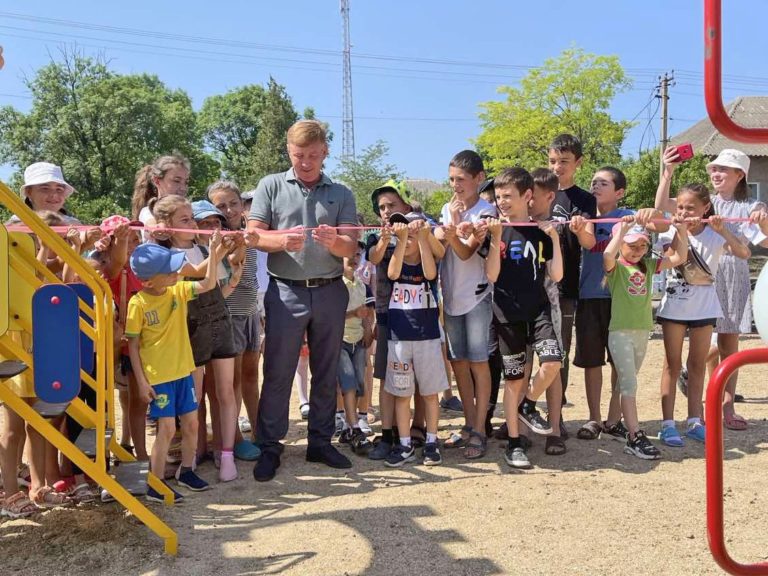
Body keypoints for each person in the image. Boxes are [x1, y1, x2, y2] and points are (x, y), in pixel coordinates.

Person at [246, 119, 359, 482]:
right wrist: (280, 241)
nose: (306, 162)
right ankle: (270, 445)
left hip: (329, 289)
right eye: (299, 155)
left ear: (325, 152)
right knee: (278, 369)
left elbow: (351, 246)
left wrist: (335, 244)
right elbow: (253, 234)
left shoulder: (341, 193)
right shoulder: (271, 185)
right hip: (285, 290)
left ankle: (321, 442)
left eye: (313, 155)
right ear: (288, 151)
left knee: (326, 369)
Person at [656, 147, 768, 430]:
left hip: (733, 275)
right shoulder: (702, 203)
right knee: (706, 340)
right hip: (698, 275)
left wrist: (763, 216)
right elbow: (664, 207)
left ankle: (725, 405)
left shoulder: (749, 206)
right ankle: (702, 396)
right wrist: (667, 172)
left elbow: (763, 240)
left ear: (740, 175)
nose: (716, 173)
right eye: (714, 169)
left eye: (723, 169)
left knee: (729, 342)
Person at [126, 239, 223, 500]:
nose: (175, 273)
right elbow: (133, 346)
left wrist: (213, 253)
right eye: (168, 271)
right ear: (147, 282)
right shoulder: (138, 304)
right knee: (167, 428)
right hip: (158, 378)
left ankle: (187, 470)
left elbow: (208, 284)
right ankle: (155, 484)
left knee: (191, 423)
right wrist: (142, 382)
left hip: (183, 372)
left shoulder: (177, 290)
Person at [152, 196, 241, 482]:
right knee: (195, 398)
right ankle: (192, 456)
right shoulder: (165, 257)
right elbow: (196, 278)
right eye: (186, 220)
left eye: (192, 218)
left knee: (226, 391)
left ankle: (226, 453)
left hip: (219, 324)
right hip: (189, 330)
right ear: (168, 226)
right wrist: (216, 254)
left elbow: (218, 286)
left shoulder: (204, 248)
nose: (194, 224)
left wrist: (236, 246)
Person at [654, 184, 750, 446]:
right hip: (674, 306)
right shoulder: (671, 230)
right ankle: (667, 424)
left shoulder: (715, 233)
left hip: (705, 307)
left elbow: (744, 253)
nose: (684, 212)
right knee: (671, 364)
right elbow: (672, 257)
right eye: (681, 207)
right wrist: (680, 230)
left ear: (705, 208)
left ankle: (695, 420)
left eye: (691, 208)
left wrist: (723, 231)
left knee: (696, 365)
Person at [484, 167, 563, 468]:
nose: (502, 202)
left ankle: (528, 405)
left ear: (527, 196)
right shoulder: (495, 230)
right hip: (506, 316)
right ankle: (515, 443)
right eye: (498, 196)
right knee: (513, 380)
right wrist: (494, 238)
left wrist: (554, 238)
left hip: (538, 311)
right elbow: (491, 275)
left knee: (553, 361)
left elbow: (556, 274)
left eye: (508, 196)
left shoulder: (540, 231)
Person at [603, 217, 687, 459]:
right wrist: (623, 232)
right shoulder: (616, 268)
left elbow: (679, 257)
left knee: (624, 382)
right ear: (620, 244)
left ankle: (611, 423)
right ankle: (634, 435)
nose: (637, 250)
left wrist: (681, 229)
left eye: (641, 245)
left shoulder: (648, 266)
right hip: (620, 332)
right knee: (630, 385)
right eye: (631, 245)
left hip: (642, 332)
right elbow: (608, 256)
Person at [434, 150, 496, 459]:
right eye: (451, 180)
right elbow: (441, 246)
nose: (455, 186)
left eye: (461, 179)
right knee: (458, 363)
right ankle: (469, 424)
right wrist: (448, 228)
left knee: (478, 362)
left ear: (478, 178)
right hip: (451, 296)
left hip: (478, 296)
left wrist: (454, 228)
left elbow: (465, 252)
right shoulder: (448, 208)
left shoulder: (488, 213)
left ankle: (481, 428)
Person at [574, 167, 634, 441]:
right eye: (593, 182)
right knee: (592, 361)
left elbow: (657, 220)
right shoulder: (583, 218)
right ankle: (594, 418)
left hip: (619, 299)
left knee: (619, 362)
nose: (595, 186)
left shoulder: (626, 217)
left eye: (603, 183)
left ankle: (614, 418)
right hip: (588, 296)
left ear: (619, 192)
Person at [384, 213, 447, 467]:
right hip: (399, 339)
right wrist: (400, 240)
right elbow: (392, 273)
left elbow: (431, 274)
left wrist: (423, 236)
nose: (408, 239)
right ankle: (405, 443)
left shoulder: (425, 259)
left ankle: (431, 441)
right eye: (405, 237)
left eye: (411, 236)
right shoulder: (397, 256)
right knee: (402, 394)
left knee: (430, 393)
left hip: (427, 337)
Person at [208, 181, 263, 461]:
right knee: (233, 383)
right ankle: (235, 438)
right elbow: (233, 264)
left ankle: (259, 431)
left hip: (251, 312)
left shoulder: (248, 234)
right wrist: (240, 243)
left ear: (242, 206)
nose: (229, 209)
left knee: (252, 375)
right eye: (221, 205)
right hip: (228, 315)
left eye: (233, 203)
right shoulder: (217, 239)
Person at [547, 135, 596, 406]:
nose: (558, 167)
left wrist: (578, 230)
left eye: (564, 161)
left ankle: (557, 407)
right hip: (534, 283)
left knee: (560, 350)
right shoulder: (538, 190)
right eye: (553, 161)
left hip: (565, 287)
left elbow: (590, 241)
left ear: (578, 163)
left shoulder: (585, 200)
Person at [337, 244, 374, 456]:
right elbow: (331, 319)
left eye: (358, 255)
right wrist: (354, 314)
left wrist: (368, 330)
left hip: (358, 341)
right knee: (349, 383)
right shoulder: (336, 286)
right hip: (340, 340)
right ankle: (353, 427)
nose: (354, 258)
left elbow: (368, 313)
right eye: (349, 255)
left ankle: (350, 425)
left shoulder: (362, 285)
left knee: (359, 383)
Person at [130, 154, 190, 224]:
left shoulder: (190, 213)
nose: (183, 188)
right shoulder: (148, 213)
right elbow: (153, 226)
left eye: (186, 182)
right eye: (176, 181)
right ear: (157, 181)